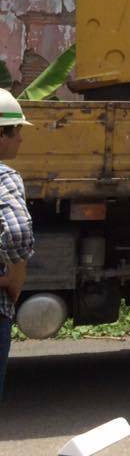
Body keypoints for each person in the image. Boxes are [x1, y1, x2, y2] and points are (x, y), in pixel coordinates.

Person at [0, 88, 34, 399]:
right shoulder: (5, 177)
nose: (21, 139)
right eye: (17, 131)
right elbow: (17, 231)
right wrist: (15, 278)